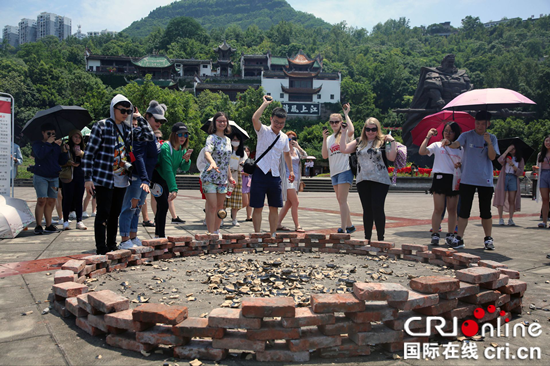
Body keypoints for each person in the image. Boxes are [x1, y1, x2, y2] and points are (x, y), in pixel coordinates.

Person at [82, 94, 135, 254]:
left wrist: (139, 118)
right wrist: (87, 179)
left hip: (122, 177)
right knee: (103, 213)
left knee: (115, 214)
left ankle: (111, 243)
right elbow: (89, 153)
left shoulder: (127, 128)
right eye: (122, 110)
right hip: (104, 177)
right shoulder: (102, 126)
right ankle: (101, 247)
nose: (125, 114)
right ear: (114, 109)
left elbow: (141, 141)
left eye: (128, 111)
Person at [442, 111, 499, 250]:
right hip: (467, 179)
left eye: (483, 124)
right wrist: (449, 143)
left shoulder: (492, 137)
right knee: (464, 210)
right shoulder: (467, 135)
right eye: (477, 123)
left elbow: (492, 157)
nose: (479, 126)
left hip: (485, 179)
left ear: (488, 124)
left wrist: (489, 143)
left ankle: (488, 239)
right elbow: (456, 144)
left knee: (485, 211)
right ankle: (459, 238)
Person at [340, 118, 396, 242]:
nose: (370, 132)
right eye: (368, 129)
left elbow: (391, 157)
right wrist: (343, 133)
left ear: (378, 129)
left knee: (377, 207)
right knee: (367, 209)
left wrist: (392, 142)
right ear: (364, 129)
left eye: (374, 129)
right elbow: (343, 149)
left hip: (380, 180)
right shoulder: (359, 142)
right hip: (363, 179)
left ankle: (380, 239)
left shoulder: (382, 141)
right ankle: (367, 238)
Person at [118, 101, 164, 249]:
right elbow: (138, 156)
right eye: (156, 120)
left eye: (161, 121)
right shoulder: (140, 131)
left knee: (137, 207)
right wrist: (144, 177)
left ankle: (133, 236)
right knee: (130, 207)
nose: (158, 123)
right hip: (139, 176)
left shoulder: (149, 133)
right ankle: (125, 239)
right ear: (147, 116)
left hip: (146, 177)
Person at [250, 96, 294, 236]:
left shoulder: (284, 138)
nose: (278, 125)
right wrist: (265, 103)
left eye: (281, 123)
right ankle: (257, 234)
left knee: (274, 206)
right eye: (276, 121)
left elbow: (287, 154)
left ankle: (273, 234)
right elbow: (254, 119)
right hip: (259, 173)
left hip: (275, 175)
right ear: (271, 119)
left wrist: (291, 171)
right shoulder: (263, 131)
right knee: (258, 207)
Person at [419, 123, 463, 246]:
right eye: (446, 131)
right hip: (440, 178)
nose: (447, 133)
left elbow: (464, 163)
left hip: (454, 179)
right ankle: (435, 234)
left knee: (452, 209)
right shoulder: (437, 145)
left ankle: (450, 235)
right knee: (438, 208)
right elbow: (422, 151)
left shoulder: (460, 148)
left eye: (451, 131)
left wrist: (459, 165)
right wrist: (428, 137)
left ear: (456, 134)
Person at [152, 122, 191, 238]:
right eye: (180, 135)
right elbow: (167, 169)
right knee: (163, 205)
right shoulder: (166, 148)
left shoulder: (182, 149)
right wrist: (174, 189)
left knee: (161, 207)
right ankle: (161, 236)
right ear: (174, 135)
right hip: (157, 177)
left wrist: (187, 161)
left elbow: (183, 167)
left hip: (166, 179)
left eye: (185, 135)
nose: (183, 137)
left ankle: (157, 235)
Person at [321, 103, 356, 234]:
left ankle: (343, 227)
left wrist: (346, 114)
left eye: (336, 121)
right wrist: (324, 139)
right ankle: (350, 225)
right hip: (334, 172)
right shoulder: (329, 138)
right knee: (341, 200)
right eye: (332, 122)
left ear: (341, 122)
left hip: (345, 169)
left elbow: (351, 130)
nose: (334, 124)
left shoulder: (345, 134)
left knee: (342, 200)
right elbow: (325, 155)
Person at [201, 113, 235, 236]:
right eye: (219, 121)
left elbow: (227, 161)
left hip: (222, 178)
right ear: (214, 123)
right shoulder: (211, 138)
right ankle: (210, 232)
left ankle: (217, 230)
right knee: (212, 206)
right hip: (210, 177)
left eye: (224, 121)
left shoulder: (228, 140)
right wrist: (212, 162)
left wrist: (230, 176)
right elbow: (207, 152)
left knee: (221, 207)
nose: (222, 123)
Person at [32, 123, 69, 234]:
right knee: (41, 200)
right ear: (43, 133)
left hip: (53, 176)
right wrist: (48, 144)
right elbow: (40, 155)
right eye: (49, 133)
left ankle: (49, 224)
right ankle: (38, 225)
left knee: (52, 200)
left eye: (53, 133)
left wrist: (64, 152)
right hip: (41, 175)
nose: (51, 135)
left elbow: (61, 162)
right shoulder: (38, 144)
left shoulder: (55, 146)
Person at [277, 131, 307, 232]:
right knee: (296, 202)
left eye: (293, 139)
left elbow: (305, 156)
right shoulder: (283, 151)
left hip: (296, 179)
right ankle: (297, 225)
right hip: (287, 178)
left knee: (289, 203)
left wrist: (298, 146)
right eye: (289, 139)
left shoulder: (296, 151)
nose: (291, 141)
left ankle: (277, 223)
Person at [61, 129, 87, 230]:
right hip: (69, 176)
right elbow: (61, 162)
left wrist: (81, 154)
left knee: (79, 198)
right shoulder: (65, 147)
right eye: (75, 137)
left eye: (79, 137)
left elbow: (89, 160)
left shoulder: (83, 148)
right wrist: (68, 159)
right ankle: (65, 221)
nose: (77, 139)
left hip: (80, 175)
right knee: (67, 198)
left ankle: (79, 221)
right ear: (71, 137)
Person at [494, 145, 524, 226]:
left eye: (513, 149)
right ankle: (500, 218)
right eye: (510, 148)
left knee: (512, 199)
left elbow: (520, 172)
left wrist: (512, 165)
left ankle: (510, 218)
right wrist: (507, 151)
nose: (511, 150)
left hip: (513, 178)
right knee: (501, 198)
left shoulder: (520, 159)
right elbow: (499, 160)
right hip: (504, 177)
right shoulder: (506, 157)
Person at [225, 133, 248, 227]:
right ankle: (221, 217)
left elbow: (245, 161)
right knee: (224, 198)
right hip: (226, 174)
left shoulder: (242, 152)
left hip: (237, 174)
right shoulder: (227, 150)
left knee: (236, 199)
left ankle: (234, 219)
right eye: (233, 139)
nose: (235, 141)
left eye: (237, 139)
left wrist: (243, 163)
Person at [533, 135, 550, 228]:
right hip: (543, 175)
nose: (548, 143)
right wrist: (535, 168)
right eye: (546, 141)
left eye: (549, 141)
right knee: (545, 199)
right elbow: (538, 167)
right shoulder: (540, 154)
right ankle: (544, 221)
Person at [242, 145, 253, 222]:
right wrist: (244, 173)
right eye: (245, 151)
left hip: (250, 182)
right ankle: (235, 210)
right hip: (243, 181)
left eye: (248, 151)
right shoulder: (241, 160)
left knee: (250, 201)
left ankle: (249, 216)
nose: (247, 152)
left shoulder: (251, 161)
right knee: (245, 202)